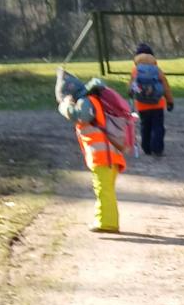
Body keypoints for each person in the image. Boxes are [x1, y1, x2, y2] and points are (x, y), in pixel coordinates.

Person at [55, 70, 129, 233]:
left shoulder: (86, 101)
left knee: (103, 190)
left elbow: (81, 116)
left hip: (104, 156)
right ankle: (104, 219)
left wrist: (65, 106)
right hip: (106, 154)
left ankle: (107, 223)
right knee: (103, 189)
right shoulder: (92, 99)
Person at [129, 43, 174, 156]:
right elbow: (165, 86)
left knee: (145, 126)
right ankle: (157, 148)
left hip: (142, 105)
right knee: (158, 126)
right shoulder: (157, 69)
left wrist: (131, 92)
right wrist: (169, 101)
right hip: (157, 104)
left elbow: (132, 85)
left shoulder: (135, 70)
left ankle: (146, 147)